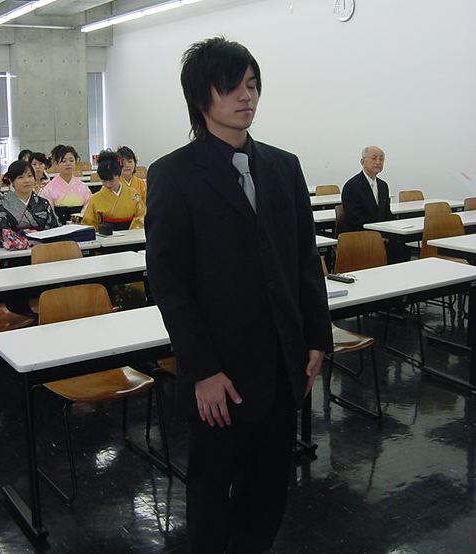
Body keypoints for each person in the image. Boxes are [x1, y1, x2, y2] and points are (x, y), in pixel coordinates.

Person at [145, 37, 332, 554]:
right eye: (230, 86)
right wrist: (202, 369)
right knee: (211, 495)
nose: (246, 96)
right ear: (199, 97)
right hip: (220, 375)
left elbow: (304, 260)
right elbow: (169, 284)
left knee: (269, 492)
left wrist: (316, 338)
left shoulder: (283, 166)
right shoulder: (173, 175)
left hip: (282, 365)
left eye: (252, 84)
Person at [341, 146, 408, 263]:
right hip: (360, 235)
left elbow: (387, 214)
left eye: (381, 159)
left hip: (381, 234)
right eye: (374, 158)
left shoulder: (383, 186)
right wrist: (378, 236)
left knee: (402, 247)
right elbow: (354, 219)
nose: (378, 162)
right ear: (362, 162)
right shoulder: (352, 186)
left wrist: (397, 228)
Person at [0, 160, 59, 246]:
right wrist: (21, 236)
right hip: (12, 251)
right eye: (20, 177)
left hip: (42, 248)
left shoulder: (43, 203)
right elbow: (1, 233)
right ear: (11, 181)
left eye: (30, 176)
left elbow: (54, 228)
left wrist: (39, 235)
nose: (27, 180)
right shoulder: (2, 205)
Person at [81, 150, 145, 231]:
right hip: (104, 236)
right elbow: (88, 224)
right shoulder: (95, 199)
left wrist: (131, 232)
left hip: (131, 234)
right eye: (104, 181)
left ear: (118, 175)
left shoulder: (133, 195)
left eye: (111, 180)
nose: (108, 184)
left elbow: (141, 216)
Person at [40, 145, 91, 224]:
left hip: (80, 225)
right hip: (58, 226)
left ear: (76, 162)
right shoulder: (49, 188)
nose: (68, 164)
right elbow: (47, 211)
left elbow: (88, 205)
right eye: (64, 161)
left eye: (71, 160)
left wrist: (80, 219)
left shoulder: (83, 187)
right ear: (56, 164)